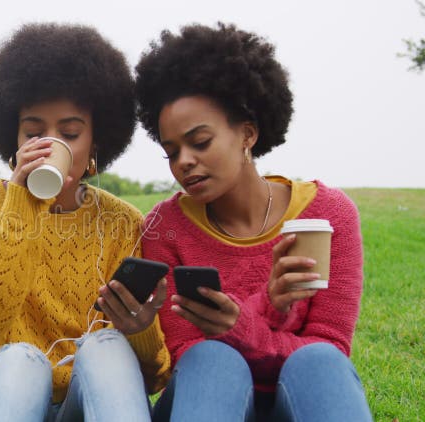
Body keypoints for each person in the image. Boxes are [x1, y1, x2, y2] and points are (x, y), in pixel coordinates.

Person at [0, 23, 171, 422]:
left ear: (95, 144)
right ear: (13, 140)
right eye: (34, 132)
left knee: (107, 346)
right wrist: (18, 211)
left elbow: (153, 379)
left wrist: (139, 329)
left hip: (80, 407)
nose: (51, 144)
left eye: (69, 132)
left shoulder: (121, 223)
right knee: (19, 358)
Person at [134, 23, 373, 421]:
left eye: (200, 142)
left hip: (295, 399)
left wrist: (243, 326)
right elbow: (187, 353)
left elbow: (330, 346)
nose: (184, 162)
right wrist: (268, 306)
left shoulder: (329, 215)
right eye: (171, 152)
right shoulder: (165, 226)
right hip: (207, 397)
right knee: (211, 358)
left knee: (318, 362)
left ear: (247, 133)